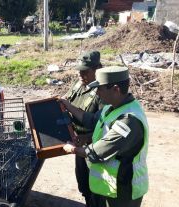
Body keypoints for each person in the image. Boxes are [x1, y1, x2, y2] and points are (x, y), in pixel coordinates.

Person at [61, 66, 149, 207]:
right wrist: (67, 105)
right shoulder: (111, 107)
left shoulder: (129, 120)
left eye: (100, 88)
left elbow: (96, 153)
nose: (96, 92)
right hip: (107, 186)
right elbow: (91, 120)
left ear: (115, 89)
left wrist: (72, 149)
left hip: (122, 191)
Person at [62, 51, 103, 207]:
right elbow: (66, 101)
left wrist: (88, 138)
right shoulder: (79, 83)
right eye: (79, 70)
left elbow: (104, 125)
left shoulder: (102, 91)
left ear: (97, 69)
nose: (80, 74)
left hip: (94, 146)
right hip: (78, 142)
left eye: (85, 71)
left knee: (96, 190)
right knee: (84, 185)